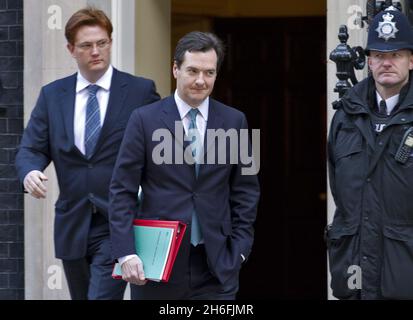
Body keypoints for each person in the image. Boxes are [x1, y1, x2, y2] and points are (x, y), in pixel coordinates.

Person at [15, 7, 160, 300]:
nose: (96, 51)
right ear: (71, 49)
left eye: (102, 43)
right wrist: (30, 171)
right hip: (73, 224)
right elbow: (31, 147)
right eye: (86, 45)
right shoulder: (52, 95)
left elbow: (158, 152)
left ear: (110, 42)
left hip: (119, 222)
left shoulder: (139, 91)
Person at [108, 31, 260, 299]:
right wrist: (126, 252)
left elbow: (246, 190)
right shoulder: (143, 120)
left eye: (209, 73)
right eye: (192, 71)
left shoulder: (236, 121)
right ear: (175, 69)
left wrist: (241, 249)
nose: (201, 80)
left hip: (217, 264)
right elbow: (122, 190)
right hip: (156, 264)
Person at [327, 7, 413, 300]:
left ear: (411, 60)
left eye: (396, 54)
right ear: (369, 61)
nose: (386, 62)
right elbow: (339, 189)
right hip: (355, 278)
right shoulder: (346, 116)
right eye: (378, 55)